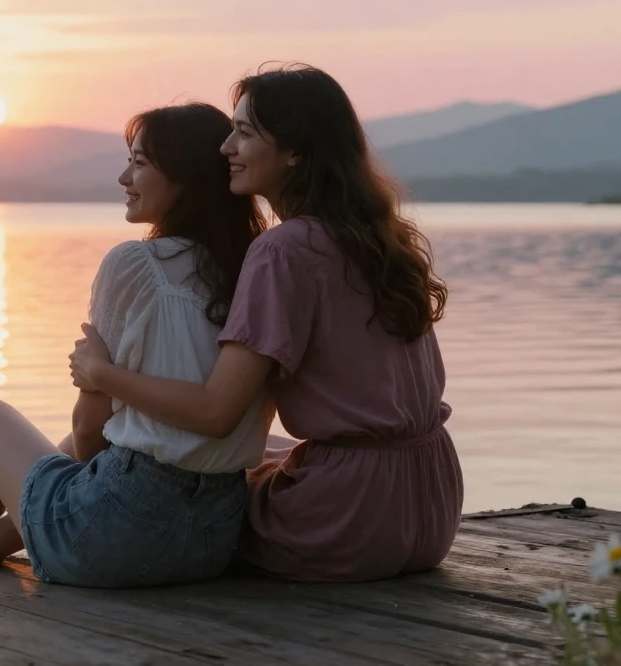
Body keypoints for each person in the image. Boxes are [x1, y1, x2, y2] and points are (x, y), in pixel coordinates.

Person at [71, 65, 463, 582]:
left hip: (348, 523)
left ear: (295, 153)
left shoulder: (283, 250)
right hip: (432, 505)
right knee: (267, 455)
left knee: (185, 476)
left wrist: (102, 374)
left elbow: (216, 414)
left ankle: (2, 534)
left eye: (245, 133)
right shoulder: (382, 239)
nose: (226, 147)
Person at [0, 102, 272, 587]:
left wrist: (97, 381)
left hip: (115, 536)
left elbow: (89, 432)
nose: (124, 177)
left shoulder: (136, 265)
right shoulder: (258, 269)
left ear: (187, 179)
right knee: (103, 441)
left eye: (139, 164)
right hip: (212, 538)